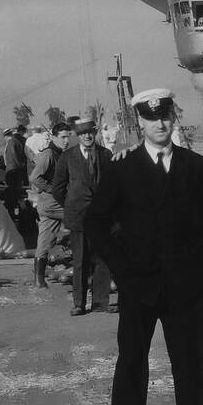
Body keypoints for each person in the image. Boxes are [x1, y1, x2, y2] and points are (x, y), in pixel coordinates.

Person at [85, 89, 203, 405]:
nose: (160, 124)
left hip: (183, 286)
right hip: (138, 286)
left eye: (166, 117)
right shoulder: (121, 167)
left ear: (174, 118)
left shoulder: (197, 167)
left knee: (191, 362)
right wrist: (121, 268)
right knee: (131, 363)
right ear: (139, 122)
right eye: (151, 118)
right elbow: (95, 222)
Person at [52, 119, 115, 312]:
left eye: (90, 132)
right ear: (77, 136)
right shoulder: (68, 157)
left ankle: (100, 303)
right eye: (83, 133)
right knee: (80, 261)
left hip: (102, 217)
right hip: (78, 217)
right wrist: (72, 204)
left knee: (102, 260)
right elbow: (58, 188)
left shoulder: (106, 154)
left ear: (95, 133)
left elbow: (113, 185)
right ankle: (79, 304)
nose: (87, 136)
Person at [27, 121, 72, 288]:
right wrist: (53, 189)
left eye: (68, 137)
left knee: (45, 240)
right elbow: (35, 177)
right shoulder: (49, 155)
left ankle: (39, 279)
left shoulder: (61, 153)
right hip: (53, 203)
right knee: (82, 218)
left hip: (53, 203)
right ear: (53, 137)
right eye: (63, 137)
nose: (66, 140)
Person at [1, 125, 29, 221]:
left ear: (6, 136)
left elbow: (13, 155)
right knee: (15, 192)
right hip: (14, 169)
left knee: (12, 192)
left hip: (12, 170)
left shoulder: (11, 142)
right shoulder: (15, 141)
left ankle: (12, 212)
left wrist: (17, 165)